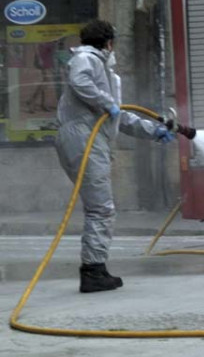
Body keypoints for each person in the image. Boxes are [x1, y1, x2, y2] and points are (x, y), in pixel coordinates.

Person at [55, 19, 177, 293]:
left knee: (99, 207)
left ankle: (94, 268)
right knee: (101, 208)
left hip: (89, 136)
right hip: (83, 138)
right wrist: (106, 102)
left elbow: (118, 116)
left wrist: (154, 131)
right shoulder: (87, 58)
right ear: (109, 43)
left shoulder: (106, 74)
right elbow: (80, 81)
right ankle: (93, 272)